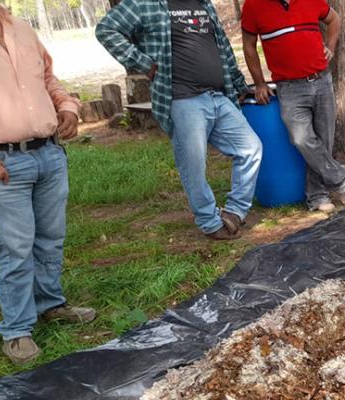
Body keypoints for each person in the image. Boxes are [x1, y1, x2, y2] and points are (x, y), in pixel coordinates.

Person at [0, 0, 96, 364]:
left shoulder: (20, 27)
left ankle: (50, 304)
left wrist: (67, 106)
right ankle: (17, 329)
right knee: (14, 249)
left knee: (50, 240)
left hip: (48, 154)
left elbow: (47, 77)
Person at [96, 0, 262, 239]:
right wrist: (141, 62)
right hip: (183, 98)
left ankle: (235, 212)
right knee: (193, 164)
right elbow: (106, 29)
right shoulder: (146, 4)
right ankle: (209, 222)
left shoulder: (204, 4)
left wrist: (238, 84)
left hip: (218, 95)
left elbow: (223, 48)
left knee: (251, 148)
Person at [240, 0, 345, 214]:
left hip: (321, 80)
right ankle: (341, 179)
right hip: (289, 88)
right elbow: (248, 46)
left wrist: (330, 46)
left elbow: (334, 19)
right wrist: (260, 83)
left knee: (324, 141)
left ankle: (317, 196)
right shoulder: (253, 5)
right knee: (302, 139)